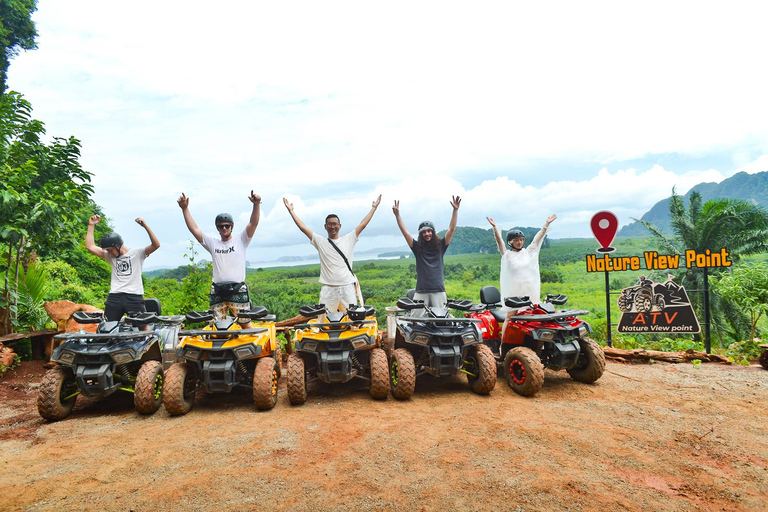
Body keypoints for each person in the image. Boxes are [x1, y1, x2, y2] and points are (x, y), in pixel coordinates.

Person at [283, 194, 381, 313]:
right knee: (324, 320)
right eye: (329, 224)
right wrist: (291, 211)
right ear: (325, 227)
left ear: (340, 226)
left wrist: (374, 208)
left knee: (353, 319)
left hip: (347, 287)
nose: (332, 226)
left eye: (335, 224)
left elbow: (363, 224)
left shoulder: (348, 239)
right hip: (328, 289)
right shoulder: (320, 242)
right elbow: (302, 227)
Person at [177, 190, 261, 320]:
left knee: (244, 322)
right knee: (216, 325)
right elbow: (194, 229)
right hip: (217, 290)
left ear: (232, 226)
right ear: (217, 228)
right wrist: (185, 209)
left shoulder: (241, 240)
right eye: (221, 226)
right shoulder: (213, 243)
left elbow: (253, 223)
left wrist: (256, 204)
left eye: (227, 226)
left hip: (237, 288)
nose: (224, 228)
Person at [85, 214, 161, 330]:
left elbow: (156, 245)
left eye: (110, 250)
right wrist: (91, 225)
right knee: (106, 329)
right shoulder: (110, 256)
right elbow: (90, 246)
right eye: (107, 251)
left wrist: (145, 226)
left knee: (143, 329)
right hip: (115, 297)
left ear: (118, 246)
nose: (108, 253)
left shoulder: (137, 253)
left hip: (134, 296)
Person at [487, 214, 557, 337]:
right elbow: (499, 242)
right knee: (510, 317)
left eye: (521, 240)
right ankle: (503, 344)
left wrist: (546, 225)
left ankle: (537, 343)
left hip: (530, 290)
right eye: (516, 240)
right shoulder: (507, 255)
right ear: (510, 242)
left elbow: (537, 239)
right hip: (515, 292)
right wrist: (495, 228)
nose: (519, 242)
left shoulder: (529, 252)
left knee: (534, 317)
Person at [392, 196, 461, 312]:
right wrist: (397, 215)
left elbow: (452, 229)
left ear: (433, 232)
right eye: (423, 232)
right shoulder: (417, 247)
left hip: (438, 290)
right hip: (421, 291)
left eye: (429, 231)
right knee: (416, 320)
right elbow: (405, 232)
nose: (427, 234)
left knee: (440, 321)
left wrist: (455, 210)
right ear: (420, 234)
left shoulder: (441, 245)